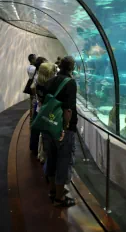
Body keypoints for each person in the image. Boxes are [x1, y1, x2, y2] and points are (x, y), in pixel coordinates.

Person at [43, 56, 77, 207]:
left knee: (51, 158)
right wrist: (65, 128)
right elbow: (68, 109)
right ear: (71, 68)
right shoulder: (70, 83)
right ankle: (59, 197)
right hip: (63, 129)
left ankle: (51, 190)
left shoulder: (50, 81)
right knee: (63, 161)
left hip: (48, 125)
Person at [35, 63, 57, 163]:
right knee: (48, 136)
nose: (54, 74)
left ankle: (40, 154)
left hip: (41, 111)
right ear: (48, 73)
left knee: (42, 134)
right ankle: (45, 157)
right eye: (53, 72)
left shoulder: (38, 83)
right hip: (49, 113)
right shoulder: (49, 86)